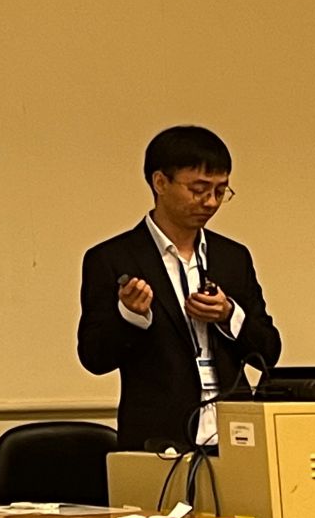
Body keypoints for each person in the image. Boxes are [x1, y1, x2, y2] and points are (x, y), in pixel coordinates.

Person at [78, 125, 281, 452]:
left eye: (221, 191)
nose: (210, 202)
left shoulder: (233, 257)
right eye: (198, 189)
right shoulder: (113, 258)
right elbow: (94, 357)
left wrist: (229, 315)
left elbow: (270, 351)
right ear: (160, 182)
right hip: (159, 435)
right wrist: (130, 316)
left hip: (237, 435)